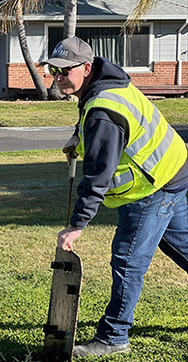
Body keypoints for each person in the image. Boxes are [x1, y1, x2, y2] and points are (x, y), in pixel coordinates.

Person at [41, 37, 188, 357]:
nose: (57, 77)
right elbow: (94, 118)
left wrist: (76, 225)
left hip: (152, 185)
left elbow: (97, 176)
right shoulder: (106, 82)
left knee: (128, 260)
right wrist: (79, 135)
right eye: (53, 69)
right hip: (173, 169)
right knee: (182, 247)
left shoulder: (104, 109)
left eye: (65, 71)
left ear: (86, 67)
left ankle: (113, 336)